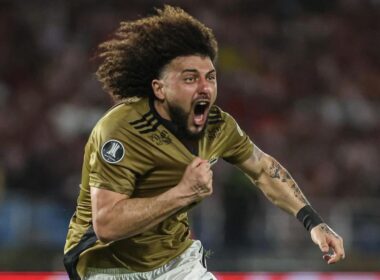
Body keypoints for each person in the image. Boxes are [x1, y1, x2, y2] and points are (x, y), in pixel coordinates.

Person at [63, 5, 345, 280]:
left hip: (176, 262)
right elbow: (107, 225)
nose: (205, 87)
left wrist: (313, 222)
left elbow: (261, 167)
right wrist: (182, 193)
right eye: (190, 78)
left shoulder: (217, 126)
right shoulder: (121, 130)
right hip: (107, 266)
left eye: (210, 77)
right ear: (159, 88)